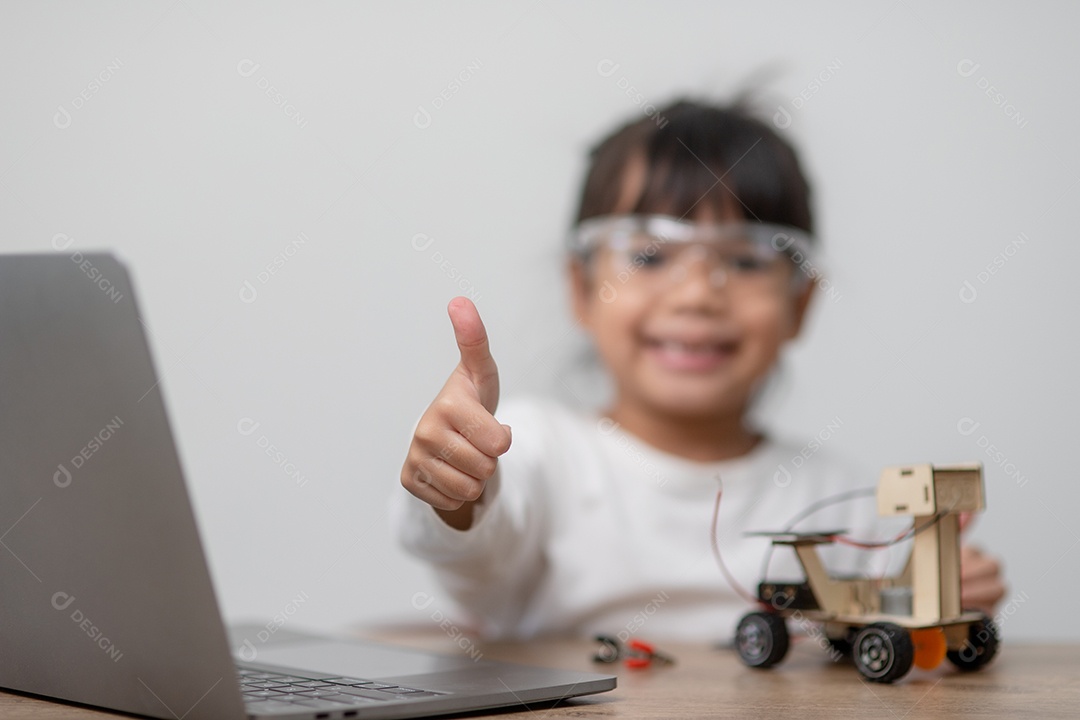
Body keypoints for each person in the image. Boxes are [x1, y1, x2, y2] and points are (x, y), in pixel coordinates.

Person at [392, 99, 1005, 642]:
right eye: (651, 255)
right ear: (581, 289)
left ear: (799, 303)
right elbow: (471, 540)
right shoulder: (533, 450)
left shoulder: (839, 499)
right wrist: (457, 483)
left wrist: (939, 594)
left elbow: (894, 620)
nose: (696, 297)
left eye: (743, 261)